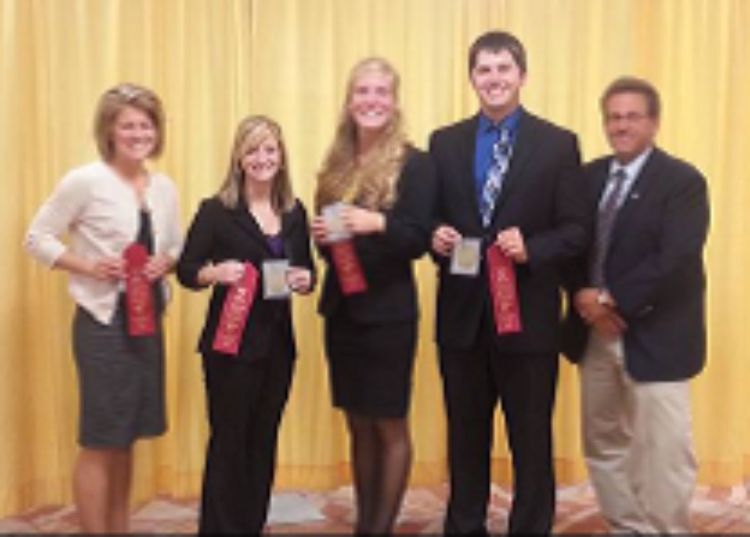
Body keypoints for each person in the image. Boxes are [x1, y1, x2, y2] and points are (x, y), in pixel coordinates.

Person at [428, 31, 589, 534]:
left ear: (522, 75)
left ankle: (530, 527)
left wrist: (535, 248)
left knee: (530, 439)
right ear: (472, 78)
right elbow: (428, 217)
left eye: (503, 69)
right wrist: (436, 234)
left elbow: (578, 230)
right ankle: (464, 525)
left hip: (529, 319)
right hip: (462, 320)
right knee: (466, 439)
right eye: (484, 70)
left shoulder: (558, 144)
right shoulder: (445, 142)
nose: (493, 79)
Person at [24, 83, 182, 533]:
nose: (138, 133)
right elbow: (36, 239)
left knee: (127, 437)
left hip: (149, 322)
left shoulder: (164, 187)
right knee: (101, 439)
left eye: (146, 125)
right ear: (109, 131)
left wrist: (164, 262)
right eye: (128, 125)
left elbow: (175, 245)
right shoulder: (85, 182)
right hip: (102, 325)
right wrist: (89, 265)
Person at [562, 77, 709, 533]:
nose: (621, 126)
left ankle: (666, 530)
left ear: (654, 122)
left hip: (657, 334)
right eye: (613, 117)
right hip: (594, 333)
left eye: (632, 117)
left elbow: (676, 257)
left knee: (662, 449)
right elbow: (570, 244)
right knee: (604, 443)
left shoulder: (683, 182)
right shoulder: (587, 177)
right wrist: (585, 299)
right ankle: (627, 527)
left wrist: (610, 298)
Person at [311, 57, 434, 535]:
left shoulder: (415, 163)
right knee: (357, 421)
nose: (372, 101)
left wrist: (377, 222)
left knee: (389, 424)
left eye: (381, 92)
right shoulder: (336, 165)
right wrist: (325, 238)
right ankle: (366, 524)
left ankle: (380, 528)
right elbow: (329, 249)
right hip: (342, 312)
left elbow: (419, 238)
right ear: (349, 101)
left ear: (395, 102)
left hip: (389, 315)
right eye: (363, 91)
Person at [176, 115, 315, 535]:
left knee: (263, 442)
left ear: (281, 156)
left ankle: (251, 525)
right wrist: (213, 274)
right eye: (252, 149)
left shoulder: (294, 211)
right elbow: (186, 269)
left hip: (278, 347)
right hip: (230, 348)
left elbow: (306, 267)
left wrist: (306, 280)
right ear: (238, 157)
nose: (261, 158)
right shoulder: (216, 211)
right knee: (229, 444)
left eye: (269, 149)